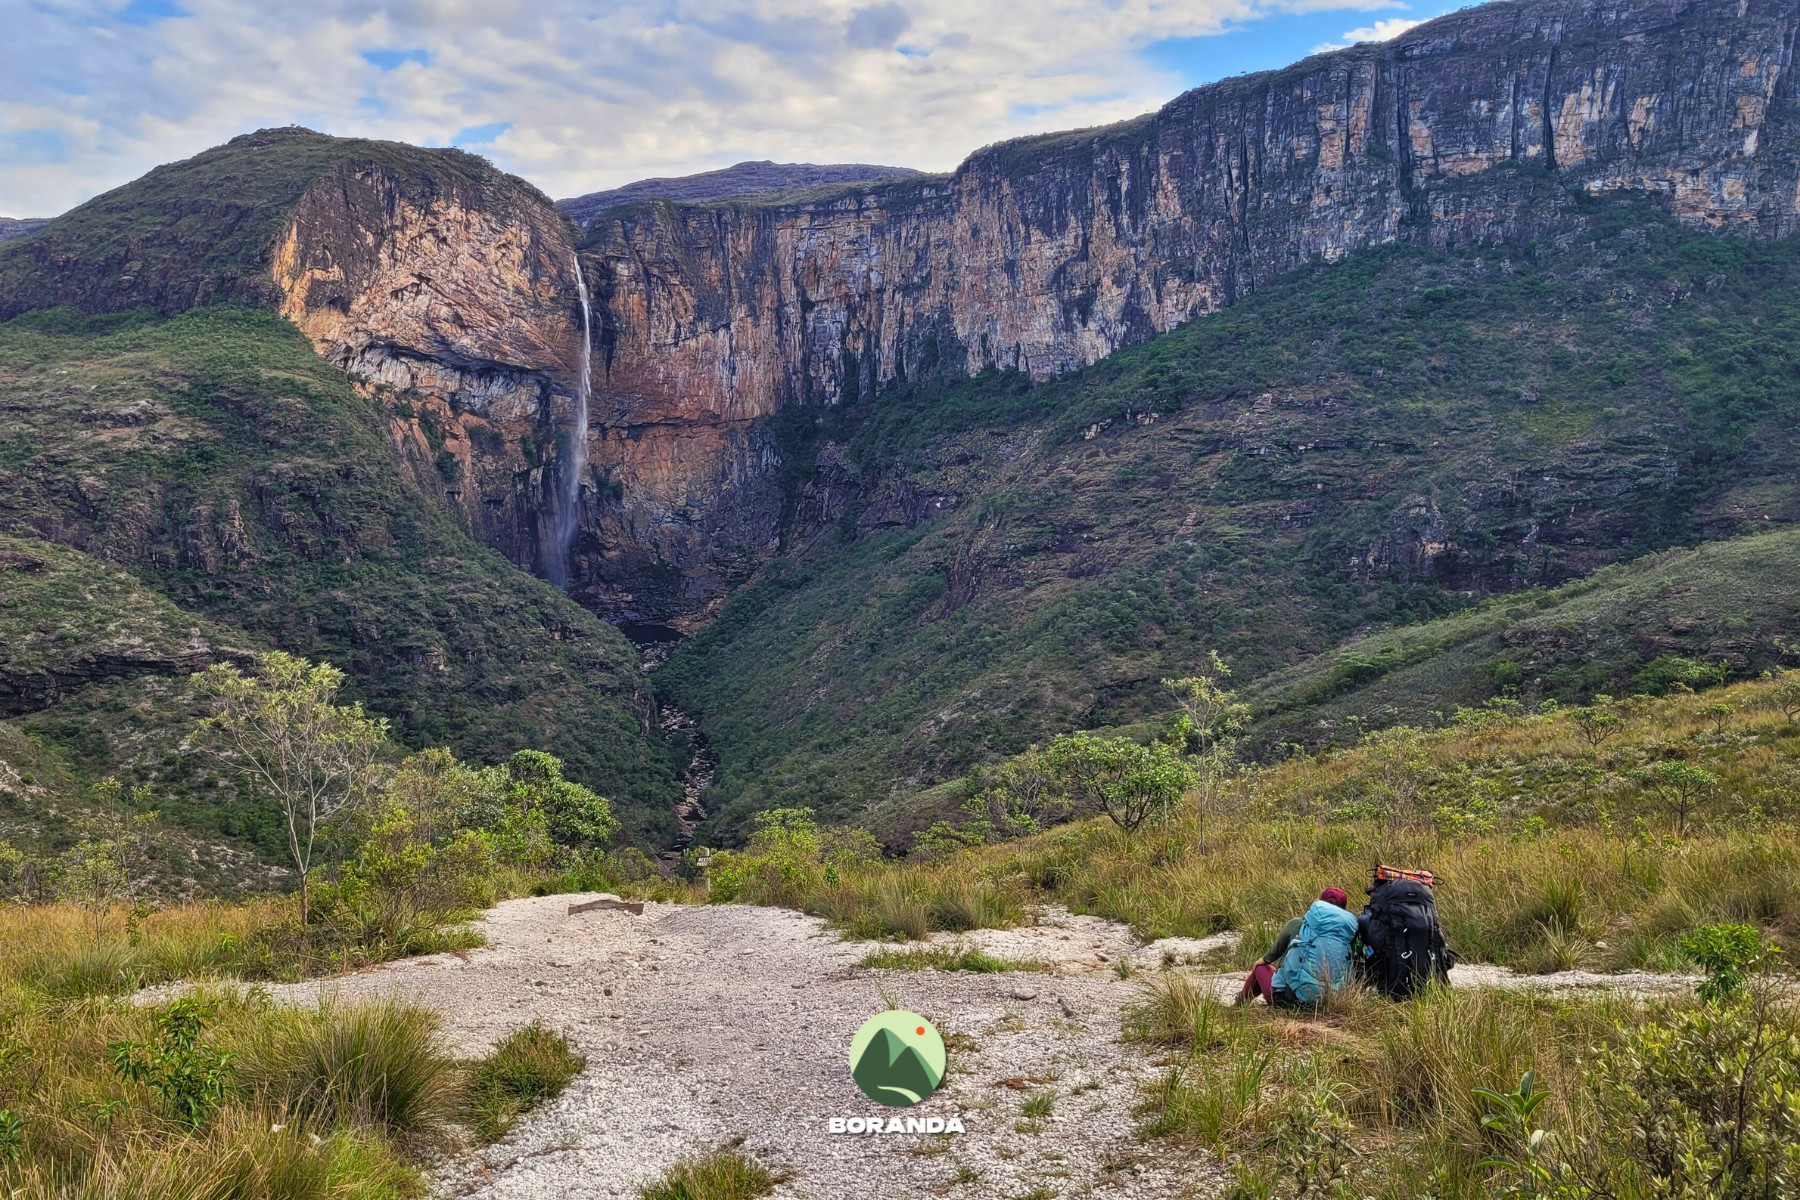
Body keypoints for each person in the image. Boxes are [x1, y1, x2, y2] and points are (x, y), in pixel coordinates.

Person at [1238, 887, 1352, 1007]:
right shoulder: (1349, 936)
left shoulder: (1297, 924)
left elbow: (1268, 958)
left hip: (1289, 999)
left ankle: (1239, 1003)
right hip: (1328, 1001)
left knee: (1261, 967)